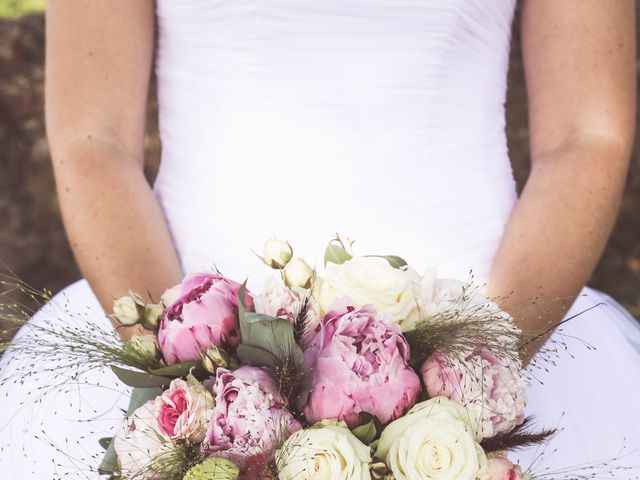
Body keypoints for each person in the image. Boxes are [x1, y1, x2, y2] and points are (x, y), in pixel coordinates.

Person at [1, 0, 639, 478]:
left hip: (499, 331)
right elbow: (93, 140)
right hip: (180, 338)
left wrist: (468, 390)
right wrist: (198, 395)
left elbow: (586, 136)